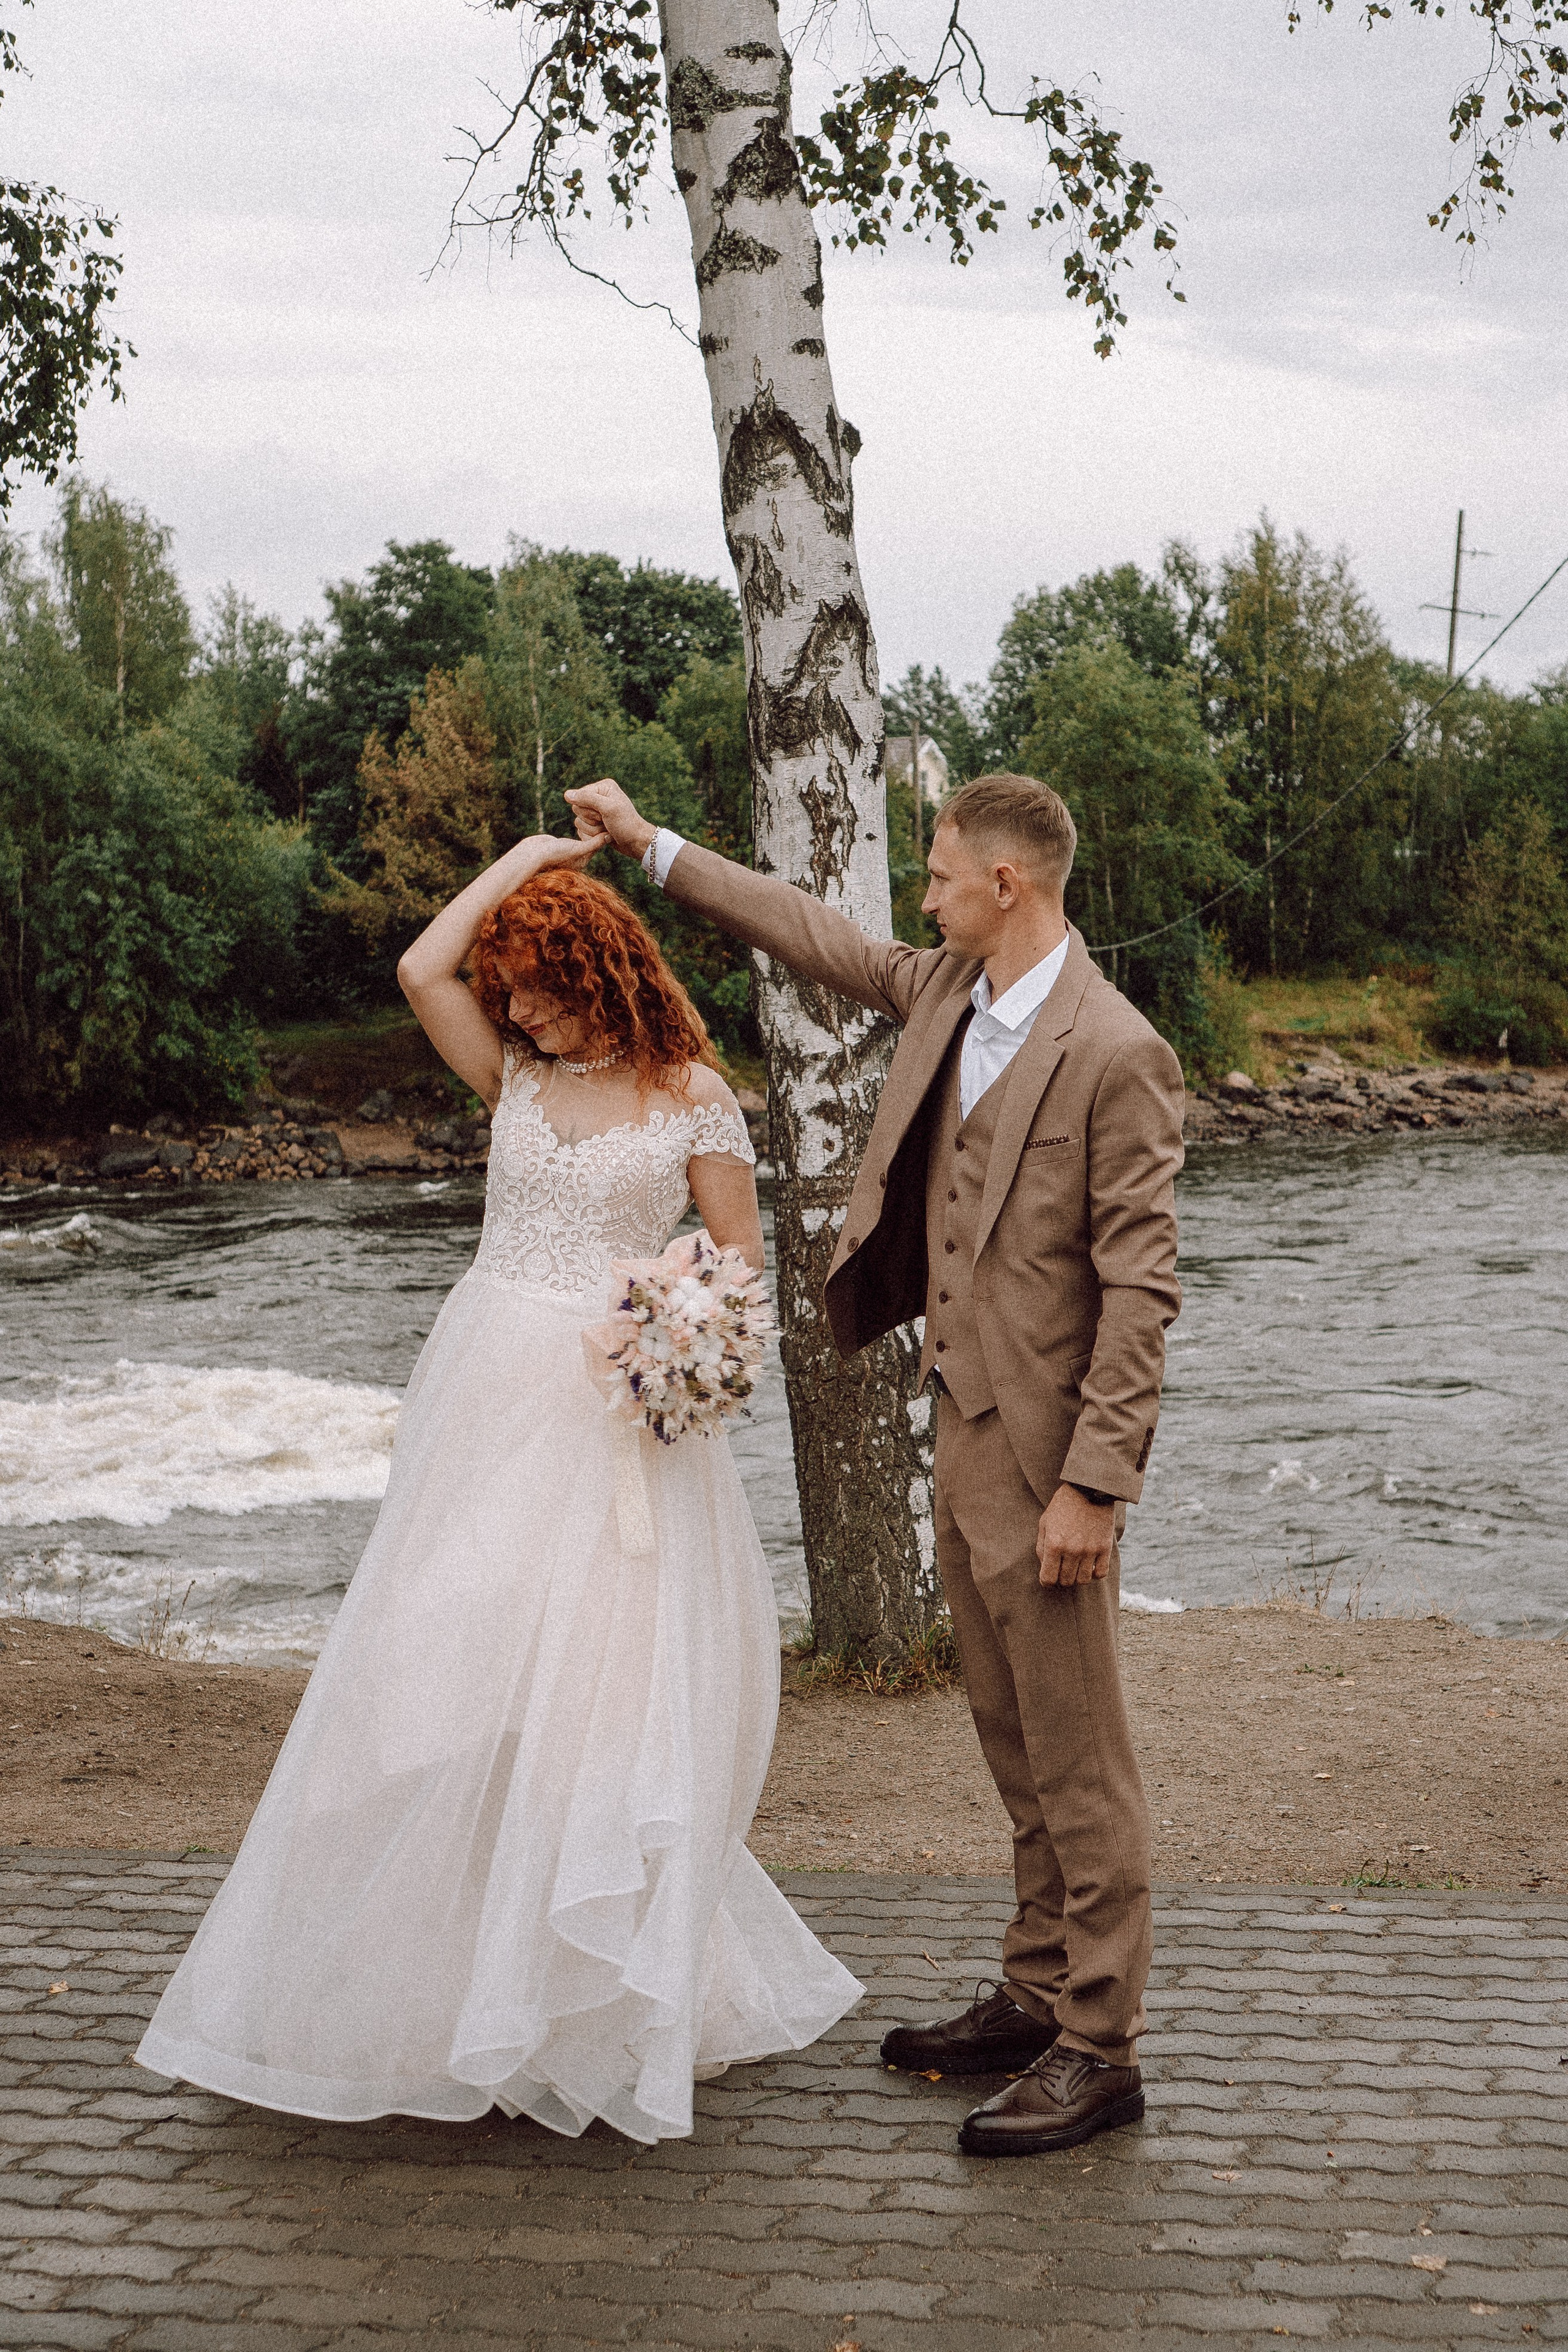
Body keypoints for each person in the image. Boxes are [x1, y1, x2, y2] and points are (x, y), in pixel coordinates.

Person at [136, 828, 861, 2143]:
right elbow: (422, 968)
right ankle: (432, 1974)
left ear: (598, 969)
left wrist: (677, 1341)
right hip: (483, 1400)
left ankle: (569, 1997)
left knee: (589, 1697)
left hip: (610, 1418)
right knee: (435, 1666)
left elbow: (738, 1262)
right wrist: (528, 858)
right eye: (507, 982)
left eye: (532, 980)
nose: (511, 1005)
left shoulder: (695, 1094)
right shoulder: (511, 1081)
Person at [567, 771, 1184, 2159]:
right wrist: (649, 843)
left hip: (1047, 1461)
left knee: (1081, 1761)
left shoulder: (1115, 1051)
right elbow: (805, 930)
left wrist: (1094, 1484)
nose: (922, 893)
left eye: (941, 871)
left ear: (1008, 884)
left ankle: (1101, 2044)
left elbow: (1139, 1293)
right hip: (960, 1425)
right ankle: (1034, 1995)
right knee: (1012, 1740)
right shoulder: (946, 993)